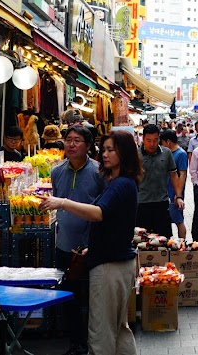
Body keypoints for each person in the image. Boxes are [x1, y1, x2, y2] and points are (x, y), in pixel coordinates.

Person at [40, 131, 141, 355]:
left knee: (101, 331)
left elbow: (98, 213)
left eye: (110, 150)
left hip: (109, 266)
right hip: (116, 261)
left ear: (124, 153)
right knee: (118, 329)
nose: (104, 154)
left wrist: (62, 202)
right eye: (103, 149)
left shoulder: (121, 184)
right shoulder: (121, 182)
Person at [51, 125, 105, 355]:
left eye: (77, 140)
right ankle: (75, 342)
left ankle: (91, 343)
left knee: (91, 297)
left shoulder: (98, 172)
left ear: (88, 145)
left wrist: (88, 242)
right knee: (69, 296)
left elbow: (102, 210)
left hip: (90, 247)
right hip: (64, 245)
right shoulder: (57, 171)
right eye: (68, 140)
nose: (71, 144)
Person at [138, 124, 183, 236]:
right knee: (142, 240)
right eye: (148, 140)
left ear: (159, 139)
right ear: (143, 139)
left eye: (155, 140)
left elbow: (173, 175)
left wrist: (178, 196)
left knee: (164, 239)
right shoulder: (136, 154)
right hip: (141, 203)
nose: (152, 144)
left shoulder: (166, 153)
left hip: (161, 203)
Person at [161, 129, 189, 240]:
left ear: (168, 141)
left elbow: (182, 175)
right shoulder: (168, 153)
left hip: (174, 193)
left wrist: (179, 195)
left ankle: (182, 243)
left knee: (178, 220)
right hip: (166, 192)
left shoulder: (181, 154)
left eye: (162, 142)